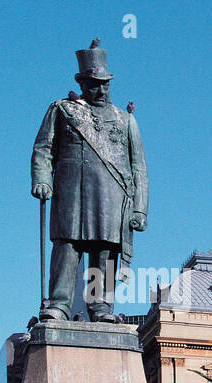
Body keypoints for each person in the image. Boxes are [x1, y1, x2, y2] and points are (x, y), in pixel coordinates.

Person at [31, 39, 148, 323]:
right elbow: (43, 148)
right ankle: (59, 304)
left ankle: (100, 308)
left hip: (112, 197)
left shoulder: (125, 120)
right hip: (71, 193)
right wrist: (42, 179)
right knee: (67, 247)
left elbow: (139, 167)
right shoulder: (62, 110)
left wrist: (139, 208)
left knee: (104, 250)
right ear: (82, 83)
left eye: (105, 84)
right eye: (95, 84)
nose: (101, 90)